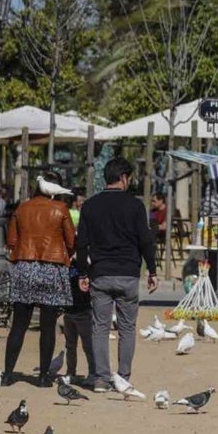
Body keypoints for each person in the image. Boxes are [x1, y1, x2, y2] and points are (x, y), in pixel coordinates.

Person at [76, 157, 158, 391]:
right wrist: (152, 270)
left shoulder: (90, 206)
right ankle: (123, 377)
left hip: (100, 274)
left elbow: (82, 243)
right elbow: (145, 240)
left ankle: (101, 378)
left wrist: (83, 273)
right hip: (129, 275)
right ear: (123, 178)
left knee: (100, 327)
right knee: (127, 328)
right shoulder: (135, 206)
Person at [2, 174, 77, 387]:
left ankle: (8, 374)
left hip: (25, 266)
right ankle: (43, 377)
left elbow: (12, 241)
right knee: (48, 325)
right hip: (51, 267)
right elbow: (71, 241)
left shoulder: (22, 209)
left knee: (19, 324)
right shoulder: (60, 209)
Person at [62, 259, 95, 385]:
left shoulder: (87, 267)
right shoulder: (66, 265)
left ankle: (93, 372)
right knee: (70, 345)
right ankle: (71, 372)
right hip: (69, 312)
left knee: (88, 345)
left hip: (84, 312)